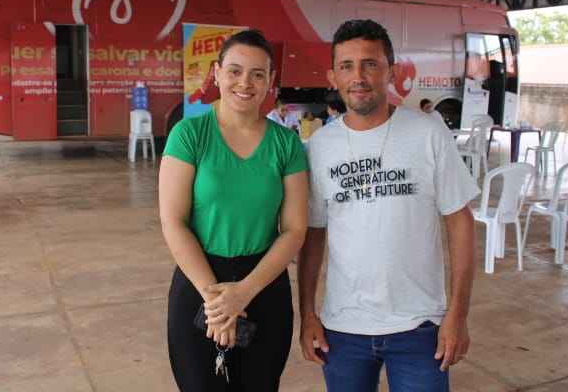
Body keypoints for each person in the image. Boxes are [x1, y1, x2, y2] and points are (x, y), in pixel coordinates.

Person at [298, 19, 478, 391]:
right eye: (347, 66)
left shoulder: (428, 133)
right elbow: (313, 235)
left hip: (420, 328)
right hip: (343, 330)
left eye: (370, 64)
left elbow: (460, 224)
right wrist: (307, 314)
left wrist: (457, 314)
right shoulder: (320, 146)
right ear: (333, 76)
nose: (358, 76)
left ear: (392, 71)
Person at [159, 29, 309, 391]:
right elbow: (173, 221)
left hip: (264, 285)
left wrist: (243, 293)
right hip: (200, 283)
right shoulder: (189, 134)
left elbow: (294, 229)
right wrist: (218, 301)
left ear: (271, 81)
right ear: (216, 72)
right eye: (235, 71)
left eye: (258, 74)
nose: (246, 82)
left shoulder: (285, 143)